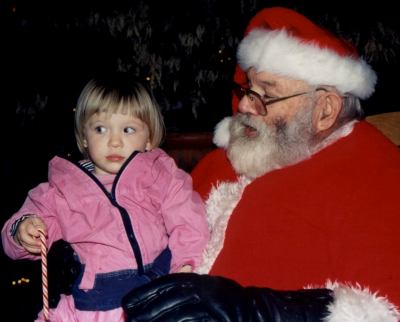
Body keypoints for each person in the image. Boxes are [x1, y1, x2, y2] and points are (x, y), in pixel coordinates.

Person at [122, 7, 400, 321]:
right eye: (247, 89)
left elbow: (386, 307)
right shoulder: (222, 162)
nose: (243, 104)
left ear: (325, 110)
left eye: (265, 94)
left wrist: (262, 311)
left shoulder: (376, 173)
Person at [1, 72, 209, 321]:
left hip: (157, 296)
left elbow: (189, 221)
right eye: (100, 129)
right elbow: (22, 226)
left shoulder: (160, 175)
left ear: (149, 138)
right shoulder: (64, 189)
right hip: (93, 306)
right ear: (84, 138)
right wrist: (22, 231)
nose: (114, 141)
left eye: (128, 129)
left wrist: (184, 269)